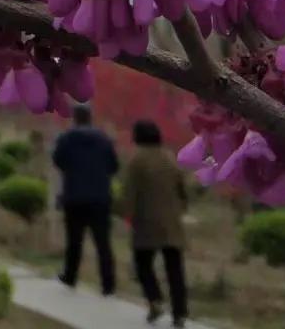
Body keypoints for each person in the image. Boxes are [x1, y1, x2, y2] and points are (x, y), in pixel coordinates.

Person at [119, 118, 189, 327]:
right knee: (175, 269)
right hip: (171, 223)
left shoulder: (136, 161)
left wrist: (124, 214)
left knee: (143, 265)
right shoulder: (170, 158)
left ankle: (154, 299)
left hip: (146, 223)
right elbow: (182, 191)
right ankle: (180, 312)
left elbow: (128, 195)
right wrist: (180, 210)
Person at [51, 103, 120, 296]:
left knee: (74, 240)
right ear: (90, 118)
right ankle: (108, 283)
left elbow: (58, 161)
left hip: (74, 196)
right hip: (100, 198)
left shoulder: (66, 139)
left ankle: (70, 276)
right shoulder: (104, 140)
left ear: (75, 118)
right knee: (103, 243)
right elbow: (114, 166)